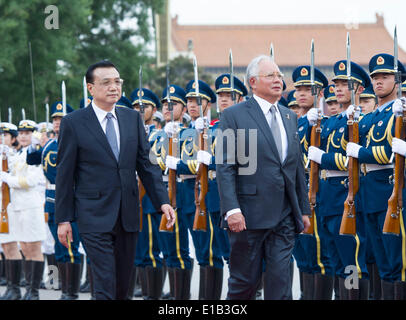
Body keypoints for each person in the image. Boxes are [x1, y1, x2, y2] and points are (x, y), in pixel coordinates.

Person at [55, 60, 175, 300]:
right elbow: (65, 175)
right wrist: (63, 219)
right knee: (104, 282)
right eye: (106, 82)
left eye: (117, 82)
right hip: (93, 215)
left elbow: (147, 164)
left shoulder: (132, 118)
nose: (114, 87)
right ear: (91, 88)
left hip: (128, 213)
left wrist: (163, 201)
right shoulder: (74, 123)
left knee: (123, 285)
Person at [216, 55, 311, 300]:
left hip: (284, 216)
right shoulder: (234, 115)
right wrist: (231, 209)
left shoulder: (289, 116)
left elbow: (295, 166)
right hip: (248, 216)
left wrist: (303, 209)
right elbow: (226, 165)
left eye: (279, 75)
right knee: (244, 285)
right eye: (270, 75)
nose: (278, 80)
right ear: (253, 82)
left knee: (280, 285)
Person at [308, 59, 371, 300]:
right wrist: (306, 123)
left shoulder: (360, 121)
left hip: (347, 196)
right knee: (334, 260)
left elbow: (354, 161)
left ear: (359, 89)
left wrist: (323, 158)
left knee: (352, 262)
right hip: (326, 198)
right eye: (337, 83)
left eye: (346, 83)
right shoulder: (332, 121)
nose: (339, 88)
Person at [345, 54, 406, 299]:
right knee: (381, 263)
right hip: (369, 195)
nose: (379, 81)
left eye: (385, 76)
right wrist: (348, 120)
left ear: (397, 79)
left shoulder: (400, 113)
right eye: (375, 77)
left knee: (396, 262)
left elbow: (390, 153)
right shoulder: (371, 117)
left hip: (390, 192)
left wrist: (361, 152)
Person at [26, 101, 84, 300]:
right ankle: (62, 289)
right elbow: (32, 159)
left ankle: (72, 292)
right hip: (51, 199)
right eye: (55, 119)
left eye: (61, 118)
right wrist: (33, 145)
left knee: (70, 247)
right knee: (57, 248)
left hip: (70, 197)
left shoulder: (76, 141)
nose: (57, 122)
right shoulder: (50, 144)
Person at [0, 120, 47, 300]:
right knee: (25, 248)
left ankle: (33, 292)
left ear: (33, 135)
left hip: (31, 205)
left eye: (28, 133)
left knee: (33, 247)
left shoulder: (35, 153)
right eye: (21, 133)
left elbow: (30, 181)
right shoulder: (18, 155)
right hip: (17, 206)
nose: (23, 136)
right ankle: (22, 289)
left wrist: (7, 178)